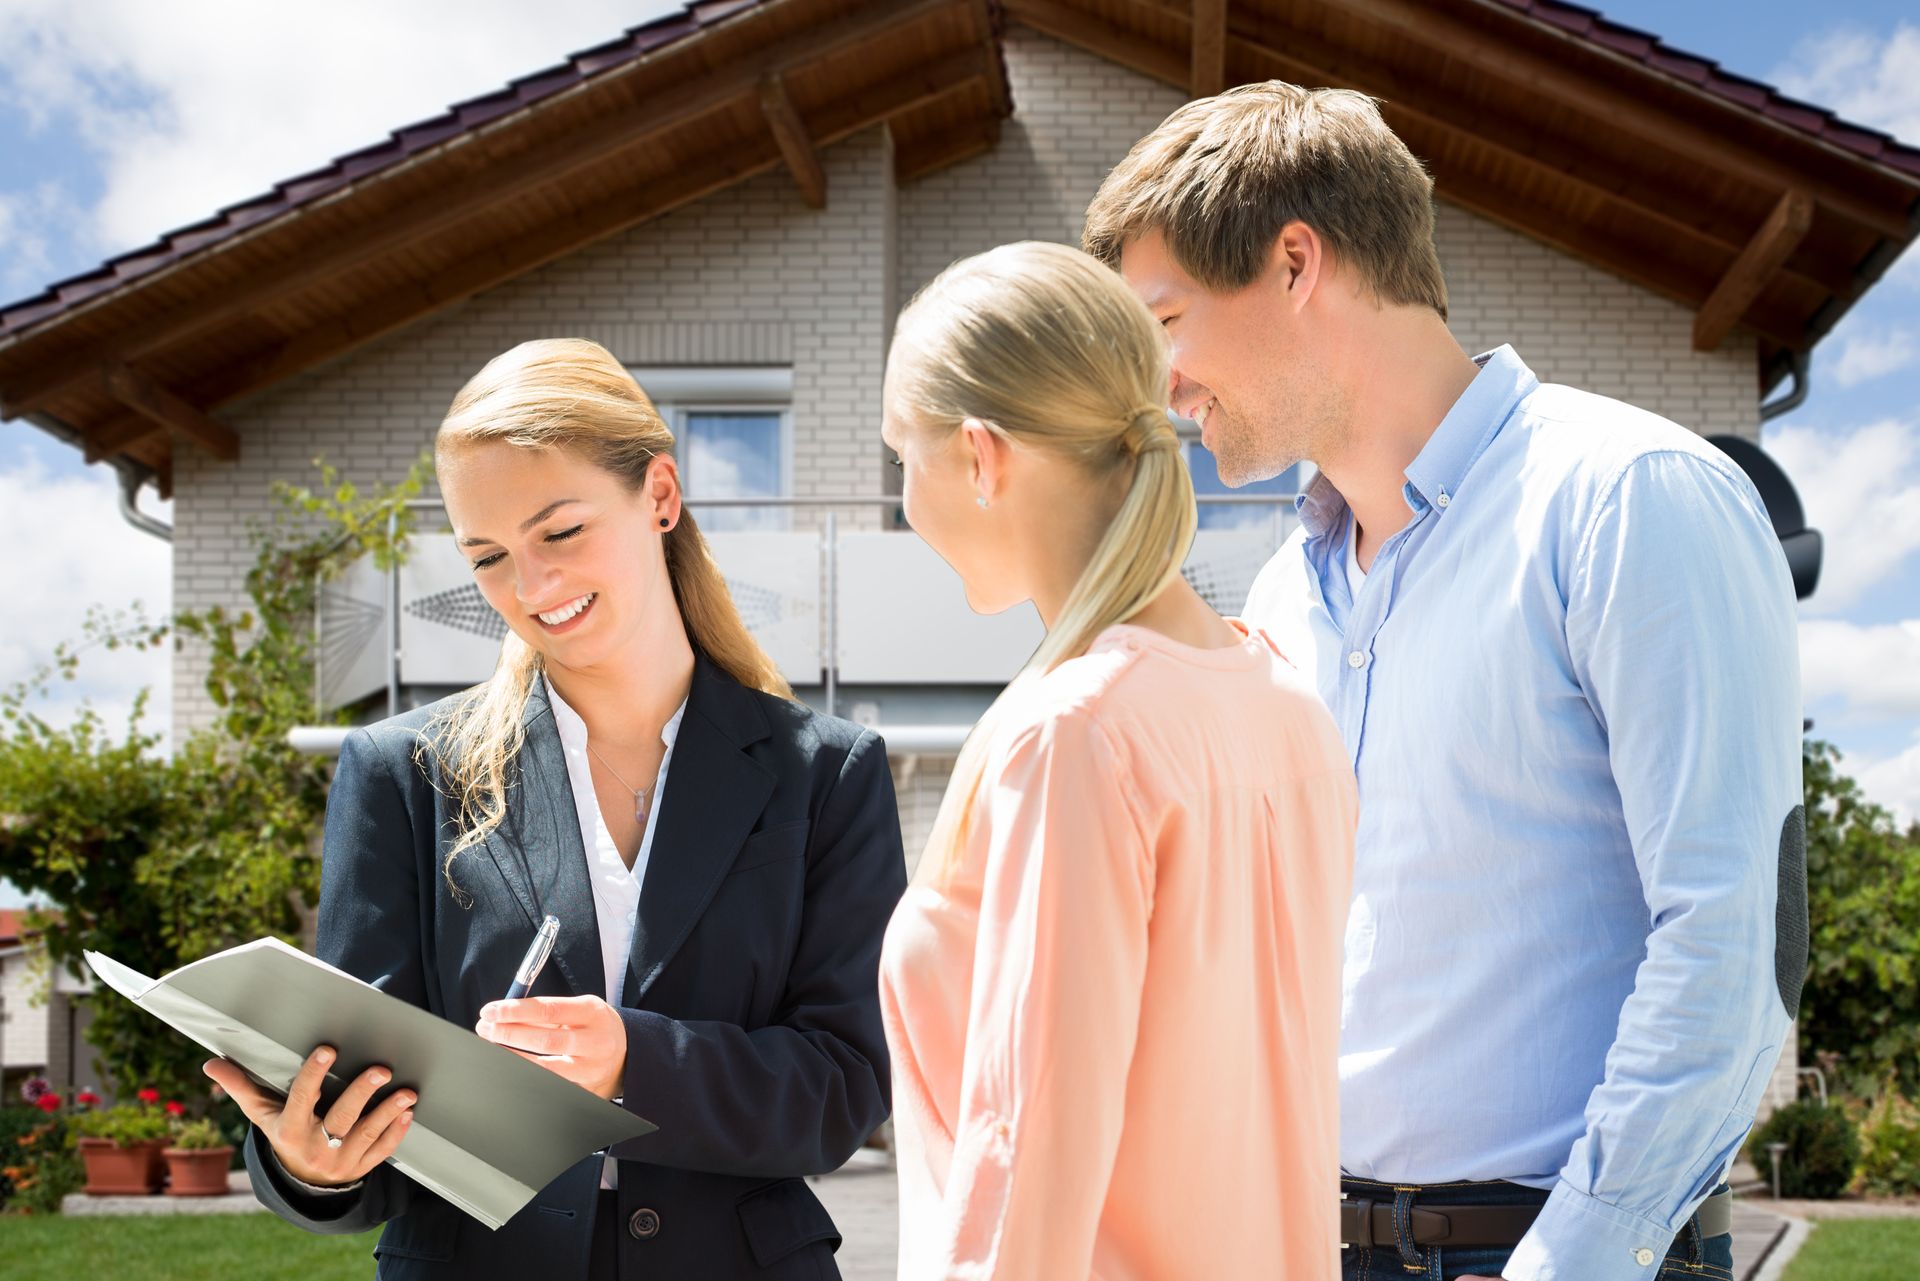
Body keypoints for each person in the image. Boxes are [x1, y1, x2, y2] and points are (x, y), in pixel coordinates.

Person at [1085, 82, 1806, 1281]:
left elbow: (1733, 947)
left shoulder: (1626, 498)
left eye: (1162, 323)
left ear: (1296, 262)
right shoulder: (1276, 602)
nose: (1159, 387)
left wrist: (1570, 1261)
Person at [207, 338, 907, 1280]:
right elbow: (361, 1098)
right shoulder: (404, 774)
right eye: (488, 555)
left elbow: (845, 1087)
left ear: (660, 494)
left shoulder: (824, 772)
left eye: (561, 532)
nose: (531, 587)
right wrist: (311, 1166)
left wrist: (633, 1060)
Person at [877, 240, 1357, 1280]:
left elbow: (1028, 1159)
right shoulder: (1287, 708)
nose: (904, 503)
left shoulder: (1079, 734)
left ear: (979, 455)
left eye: (899, 458)